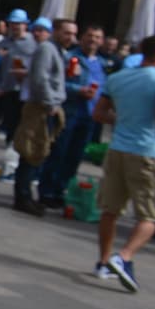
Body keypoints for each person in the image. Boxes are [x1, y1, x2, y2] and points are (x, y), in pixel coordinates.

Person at [92, 35, 155, 291]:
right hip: (146, 151)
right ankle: (125, 256)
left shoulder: (118, 77)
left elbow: (99, 113)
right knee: (149, 216)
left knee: (110, 210)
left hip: (117, 148)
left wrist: (125, 119)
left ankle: (104, 262)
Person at [38, 23, 104, 209]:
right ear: (82, 38)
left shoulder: (101, 63)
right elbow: (59, 83)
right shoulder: (71, 58)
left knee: (75, 156)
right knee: (59, 152)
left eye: (97, 37)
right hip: (69, 112)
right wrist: (78, 90)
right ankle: (47, 190)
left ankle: (62, 189)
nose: (93, 40)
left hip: (89, 115)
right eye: (90, 35)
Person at [11, 16, 66, 215]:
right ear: (56, 31)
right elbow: (40, 78)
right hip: (40, 106)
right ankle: (23, 196)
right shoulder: (46, 48)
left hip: (43, 104)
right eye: (67, 32)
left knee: (37, 150)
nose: (71, 37)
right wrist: (50, 101)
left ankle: (25, 194)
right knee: (32, 150)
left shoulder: (54, 49)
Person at [0, 9, 35, 149]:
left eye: (18, 23)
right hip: (8, 88)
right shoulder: (3, 43)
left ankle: (19, 147)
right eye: (12, 23)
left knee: (23, 122)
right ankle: (10, 146)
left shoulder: (33, 43)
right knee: (10, 120)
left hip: (26, 90)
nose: (15, 26)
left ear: (25, 25)